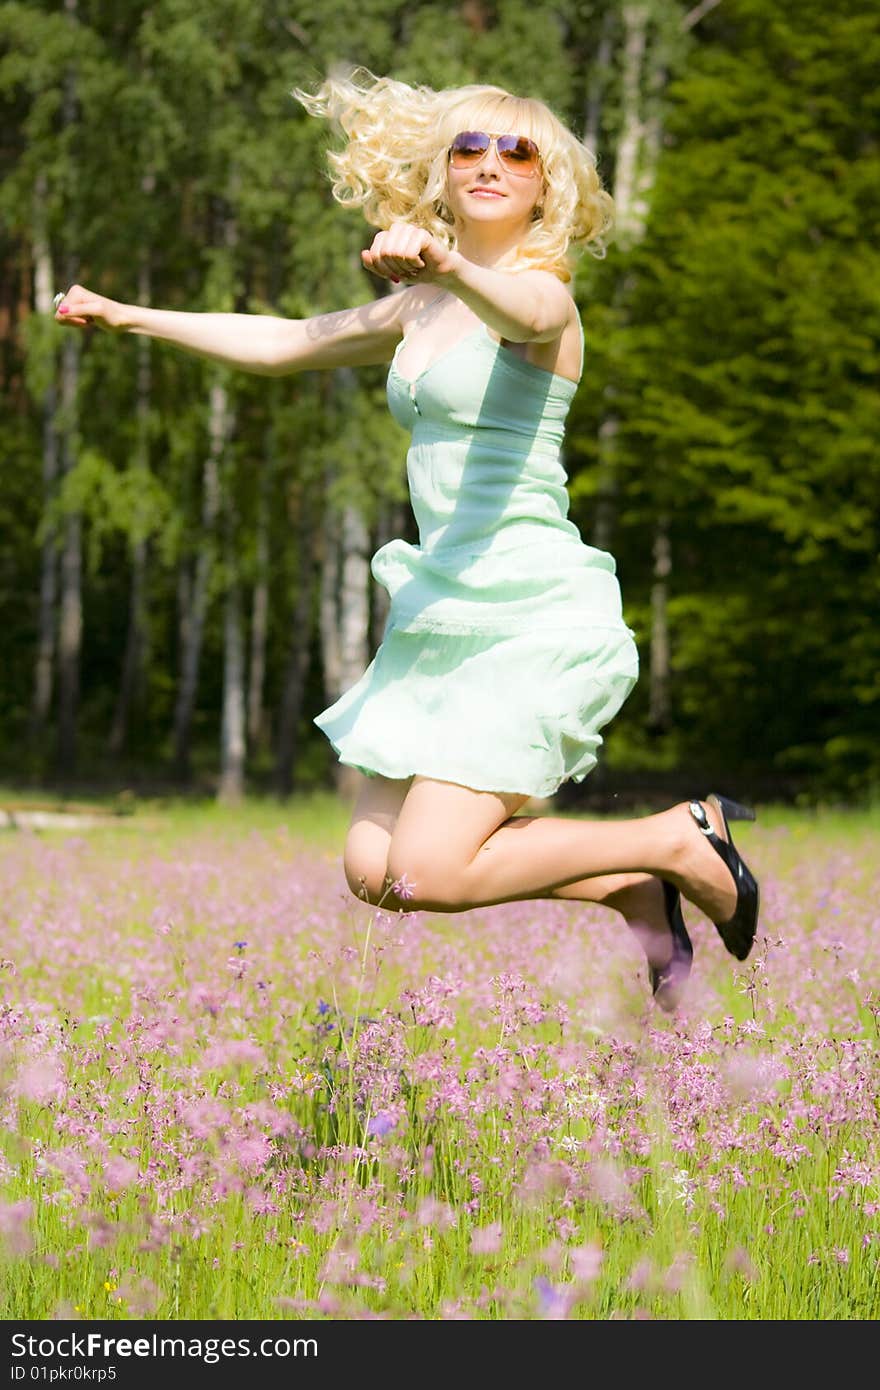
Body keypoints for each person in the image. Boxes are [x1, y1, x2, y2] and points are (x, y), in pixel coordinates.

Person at [54, 69, 759, 1011]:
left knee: (428, 866)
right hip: (443, 609)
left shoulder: (542, 295)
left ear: (546, 184)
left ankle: (677, 838)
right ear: (442, 169)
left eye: (519, 151)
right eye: (470, 146)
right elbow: (284, 340)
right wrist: (129, 314)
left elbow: (529, 313)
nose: (492, 163)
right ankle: (631, 883)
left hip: (528, 606)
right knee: (375, 868)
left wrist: (450, 267)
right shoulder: (418, 310)